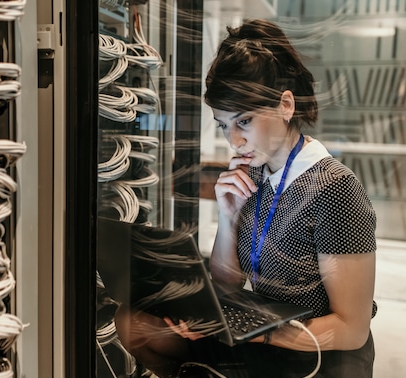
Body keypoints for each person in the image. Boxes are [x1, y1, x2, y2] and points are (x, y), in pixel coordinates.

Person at [114, 19, 377, 377]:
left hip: (317, 350)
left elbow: (351, 328)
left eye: (244, 121)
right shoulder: (253, 171)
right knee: (134, 323)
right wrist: (228, 216)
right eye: (224, 125)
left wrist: (258, 334)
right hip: (260, 327)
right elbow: (228, 284)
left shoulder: (334, 188)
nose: (233, 140)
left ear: (286, 105)